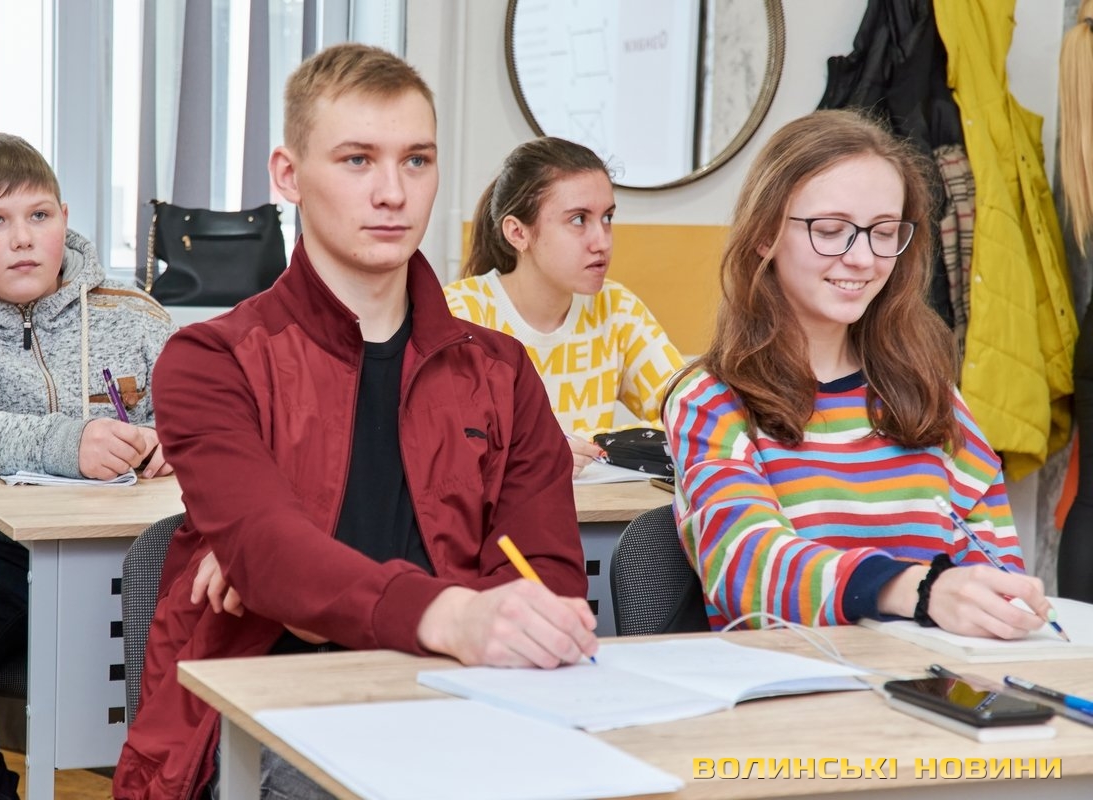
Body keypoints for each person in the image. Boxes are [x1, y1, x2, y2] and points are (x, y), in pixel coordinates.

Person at [114, 44, 596, 800]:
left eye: (416, 161)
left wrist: (306, 589)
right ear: (288, 175)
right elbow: (273, 552)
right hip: (264, 718)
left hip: (460, 702)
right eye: (357, 160)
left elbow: (545, 578)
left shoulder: (501, 372)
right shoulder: (211, 359)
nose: (393, 193)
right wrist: (448, 611)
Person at [664, 109, 1055, 639]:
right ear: (764, 235)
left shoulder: (930, 394)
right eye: (831, 231)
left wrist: (1002, 605)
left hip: (927, 678)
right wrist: (915, 589)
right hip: (791, 681)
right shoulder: (710, 399)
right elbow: (747, 568)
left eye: (884, 232)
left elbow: (995, 565)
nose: (863, 258)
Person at [0, 132, 177, 798]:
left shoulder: (136, 316)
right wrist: (63, 442)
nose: (23, 238)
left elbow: (212, 421)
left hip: (133, 552)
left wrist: (177, 440)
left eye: (39, 215)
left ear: (64, 219)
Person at [444, 137, 684, 476]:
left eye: (607, 217)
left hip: (597, 510)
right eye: (579, 220)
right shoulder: (459, 315)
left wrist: (586, 444)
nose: (602, 241)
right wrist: (536, 455)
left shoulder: (616, 308)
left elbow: (693, 414)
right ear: (518, 233)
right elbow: (441, 447)